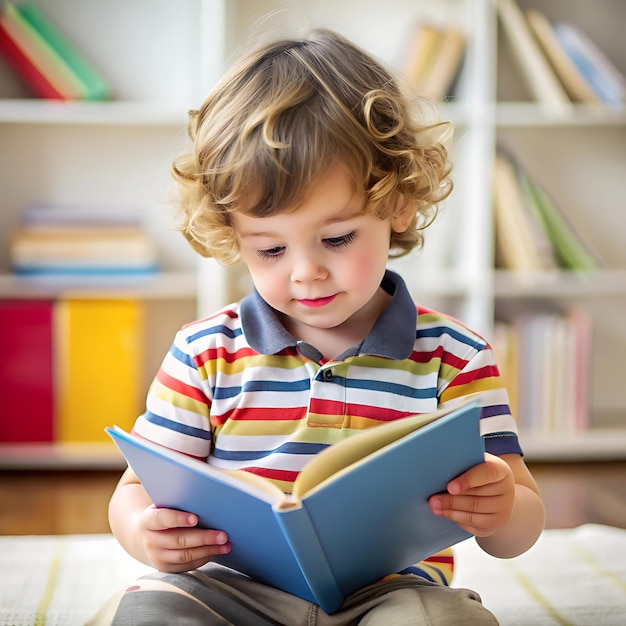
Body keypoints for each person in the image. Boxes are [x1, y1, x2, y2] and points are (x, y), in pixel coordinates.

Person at [90, 28, 545, 626]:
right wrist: (143, 532)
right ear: (234, 234)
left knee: (450, 621)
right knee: (147, 613)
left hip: (391, 594)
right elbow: (135, 492)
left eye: (336, 238)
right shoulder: (205, 353)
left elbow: (518, 523)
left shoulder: (456, 356)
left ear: (397, 203)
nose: (307, 273)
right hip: (231, 592)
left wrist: (502, 508)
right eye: (271, 250)